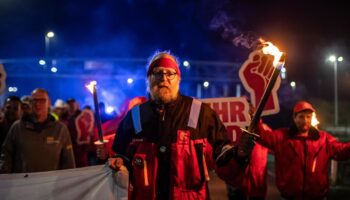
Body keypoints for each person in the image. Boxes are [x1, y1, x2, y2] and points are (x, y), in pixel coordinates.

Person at [103, 51, 253, 200]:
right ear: (149, 79)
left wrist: (239, 156)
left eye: (170, 73)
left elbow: (222, 159)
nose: (164, 78)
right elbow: (121, 157)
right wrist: (118, 162)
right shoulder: (135, 115)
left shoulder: (200, 112)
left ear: (178, 79)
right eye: (157, 73)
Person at [256, 100, 350, 199]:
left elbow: (341, 151)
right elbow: (261, 136)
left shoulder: (324, 139)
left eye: (308, 116)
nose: (305, 120)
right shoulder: (281, 137)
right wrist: (255, 119)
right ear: (294, 118)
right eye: (301, 117)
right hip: (289, 197)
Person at [0, 88, 75, 173]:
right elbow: (6, 154)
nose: (38, 104)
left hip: (51, 184)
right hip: (23, 184)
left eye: (42, 100)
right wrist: (4, 177)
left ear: (49, 103)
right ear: (30, 103)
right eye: (34, 100)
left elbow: (68, 162)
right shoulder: (17, 128)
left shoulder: (61, 130)